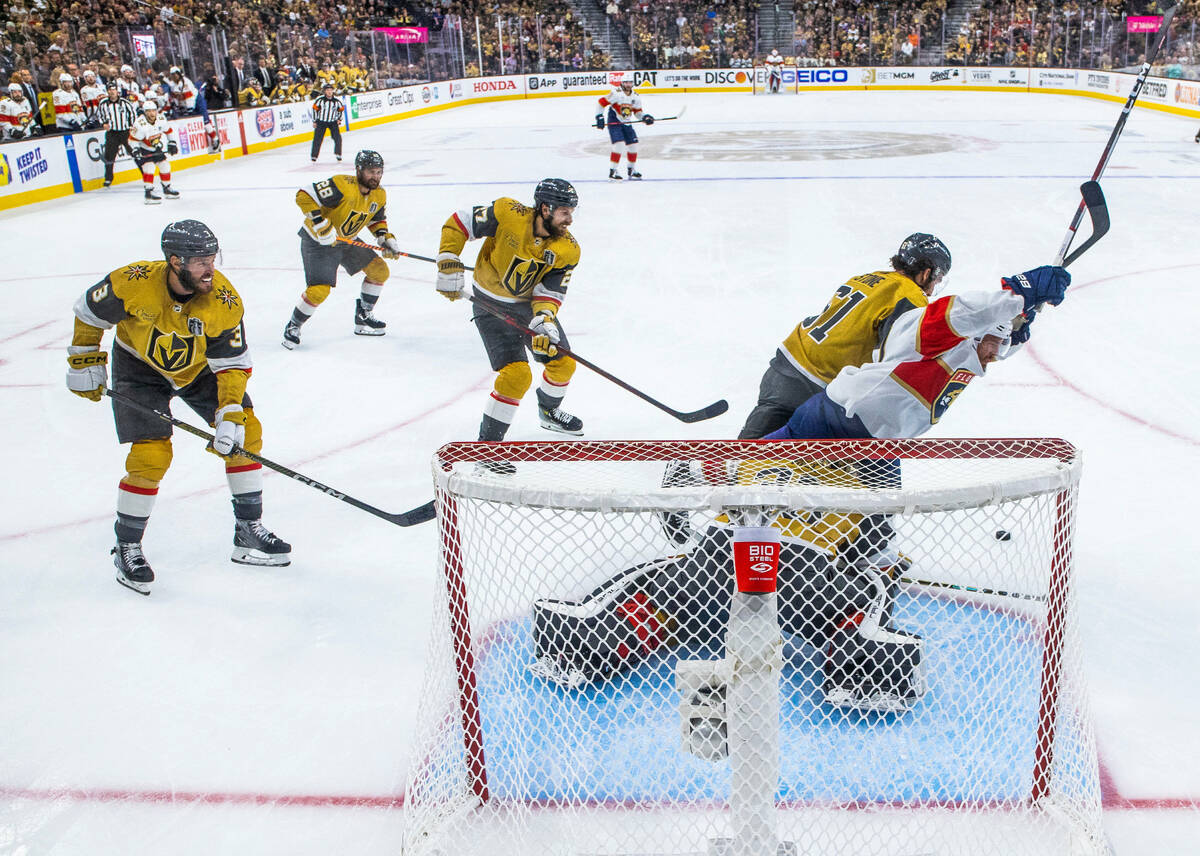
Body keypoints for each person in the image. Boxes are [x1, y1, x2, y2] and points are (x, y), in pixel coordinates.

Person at [531, 458, 925, 714]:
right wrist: (880, 572)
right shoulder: (865, 475)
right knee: (865, 593)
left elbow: (678, 515)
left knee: (658, 584)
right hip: (805, 578)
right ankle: (862, 655)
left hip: (720, 558)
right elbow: (873, 551)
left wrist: (686, 545)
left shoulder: (758, 453)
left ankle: (591, 638)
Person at [66, 220, 291, 595]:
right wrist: (84, 358)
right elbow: (89, 312)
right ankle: (128, 546)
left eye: (212, 258)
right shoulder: (133, 282)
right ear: (175, 261)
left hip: (198, 369)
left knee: (247, 433)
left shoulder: (224, 301)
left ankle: (247, 530)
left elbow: (232, 363)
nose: (210, 268)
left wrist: (230, 411)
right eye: (201, 260)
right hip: (139, 367)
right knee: (152, 455)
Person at [765, 266, 1071, 442]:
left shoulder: (980, 352)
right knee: (764, 465)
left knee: (877, 516)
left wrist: (1024, 317)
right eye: (992, 341)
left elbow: (1003, 344)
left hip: (883, 438)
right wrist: (1018, 294)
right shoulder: (931, 335)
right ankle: (727, 495)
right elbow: (964, 310)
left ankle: (872, 552)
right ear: (975, 334)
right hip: (838, 415)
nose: (995, 353)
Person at [738, 233, 950, 440]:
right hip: (816, 382)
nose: (934, 287)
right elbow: (893, 354)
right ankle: (729, 467)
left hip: (785, 363)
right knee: (779, 458)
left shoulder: (867, 278)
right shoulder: (912, 296)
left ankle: (722, 466)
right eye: (937, 278)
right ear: (927, 273)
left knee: (752, 449)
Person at [435, 179, 583, 449]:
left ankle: (548, 411)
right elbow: (460, 222)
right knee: (516, 376)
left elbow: (549, 292)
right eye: (565, 211)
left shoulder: (568, 249)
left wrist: (544, 321)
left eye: (572, 211)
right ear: (546, 209)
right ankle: (487, 448)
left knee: (564, 364)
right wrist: (448, 258)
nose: (570, 219)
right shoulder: (508, 213)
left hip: (527, 308)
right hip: (489, 306)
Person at [282, 149, 400, 347]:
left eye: (379, 172)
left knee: (380, 271)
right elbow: (303, 196)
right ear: (359, 170)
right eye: (371, 172)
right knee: (319, 291)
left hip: (347, 240)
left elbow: (376, 219)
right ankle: (293, 325)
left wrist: (384, 238)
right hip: (317, 241)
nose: (376, 176)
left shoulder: (379, 194)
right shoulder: (341, 185)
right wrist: (321, 224)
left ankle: (363, 315)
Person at [594, 74, 652, 180]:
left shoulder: (635, 96)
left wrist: (645, 117)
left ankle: (631, 169)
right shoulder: (616, 93)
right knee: (619, 145)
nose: (628, 85)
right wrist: (599, 117)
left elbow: (637, 112)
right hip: (615, 123)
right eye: (626, 82)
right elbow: (601, 103)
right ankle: (613, 170)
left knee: (633, 146)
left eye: (630, 82)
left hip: (627, 123)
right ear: (622, 83)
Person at [128, 100, 178, 204]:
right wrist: (136, 150)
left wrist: (172, 142)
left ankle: (167, 188)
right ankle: (148, 193)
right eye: (149, 111)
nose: (151, 113)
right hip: (143, 148)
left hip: (155, 147)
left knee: (165, 166)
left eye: (153, 111)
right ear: (145, 112)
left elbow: (169, 131)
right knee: (149, 168)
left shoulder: (161, 119)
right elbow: (132, 140)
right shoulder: (139, 124)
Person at [166, 65, 220, 153]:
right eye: (172, 75)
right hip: (186, 105)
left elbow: (189, 98)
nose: (174, 76)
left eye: (176, 74)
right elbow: (173, 98)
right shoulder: (172, 85)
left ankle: (215, 138)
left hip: (197, 101)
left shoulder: (186, 82)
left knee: (205, 121)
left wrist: (189, 108)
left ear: (179, 74)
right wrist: (177, 106)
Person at [95, 80, 137, 186]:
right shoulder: (103, 103)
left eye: (114, 89)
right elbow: (100, 115)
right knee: (109, 156)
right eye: (110, 90)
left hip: (125, 132)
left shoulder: (125, 102)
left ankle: (145, 172)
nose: (112, 92)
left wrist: (132, 126)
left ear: (117, 91)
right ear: (107, 91)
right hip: (112, 133)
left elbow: (132, 114)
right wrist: (103, 123)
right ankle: (108, 178)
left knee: (135, 153)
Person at [310, 81, 344, 162]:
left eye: (330, 90)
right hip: (321, 122)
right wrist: (314, 121)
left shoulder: (337, 101)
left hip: (333, 122)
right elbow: (315, 110)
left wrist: (339, 119)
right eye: (327, 90)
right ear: (325, 91)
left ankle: (338, 153)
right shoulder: (320, 100)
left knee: (338, 138)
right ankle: (314, 156)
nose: (329, 92)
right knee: (317, 139)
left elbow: (341, 110)